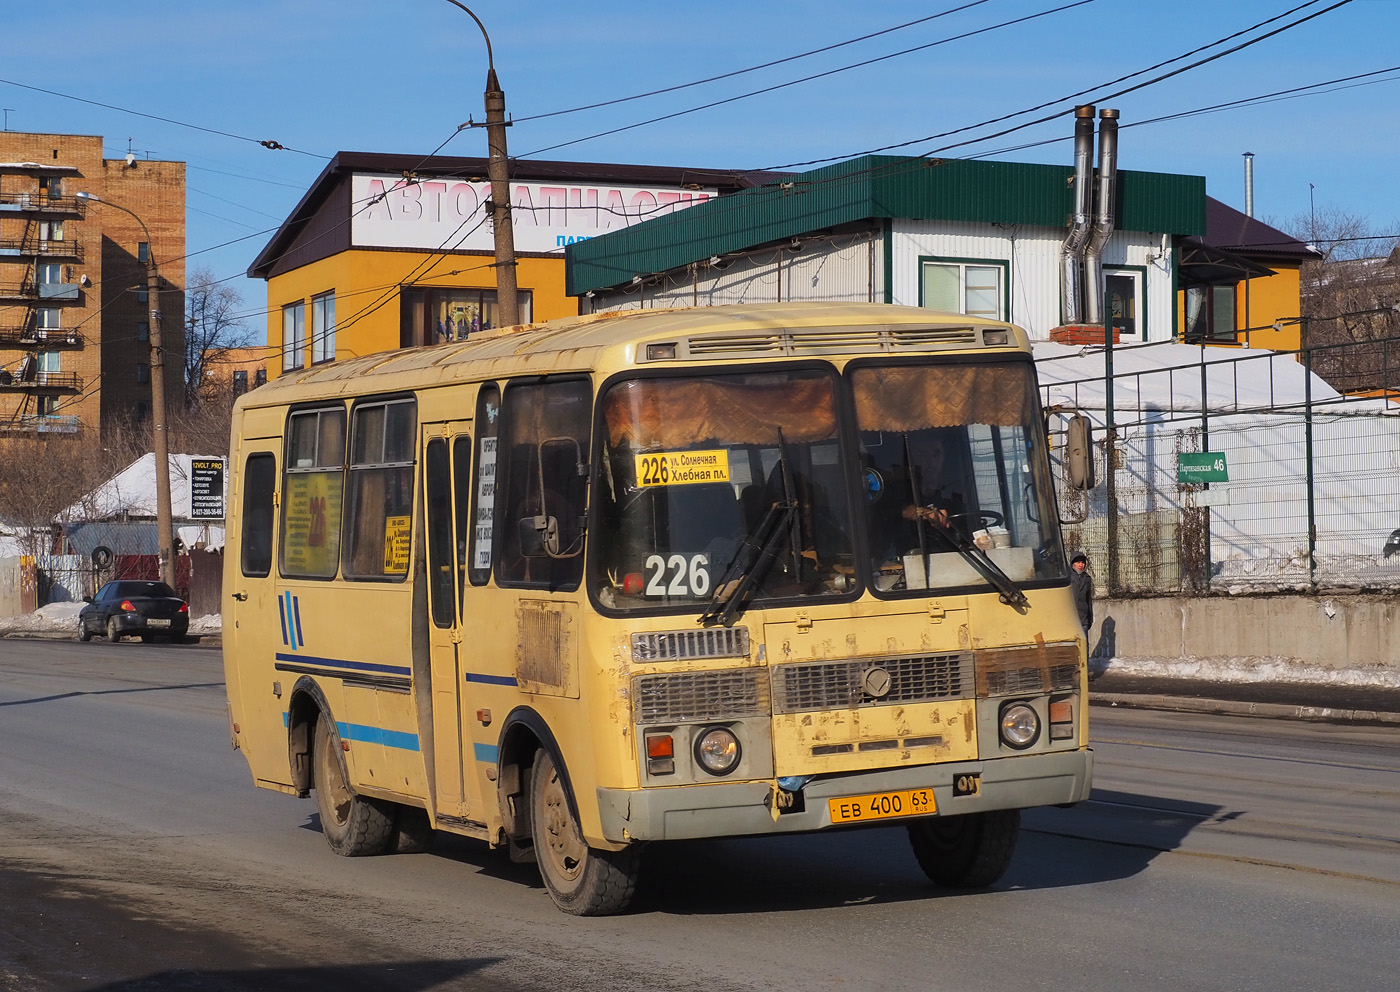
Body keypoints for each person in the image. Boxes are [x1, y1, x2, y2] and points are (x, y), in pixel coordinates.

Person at [1069, 551, 1093, 631]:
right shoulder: (1068, 577)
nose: (1081, 565)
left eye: (1082, 562)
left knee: (1084, 642)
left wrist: (1090, 618)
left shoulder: (1087, 578)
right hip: (1070, 618)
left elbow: (1088, 599)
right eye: (1078, 562)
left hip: (1083, 618)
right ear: (1073, 563)